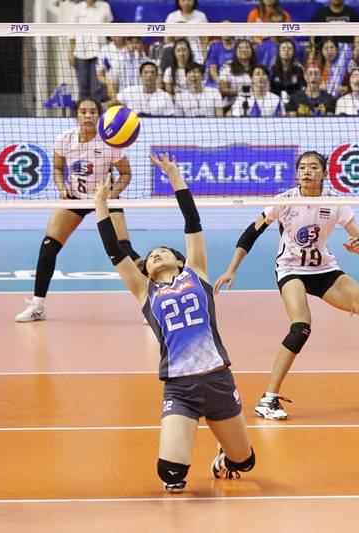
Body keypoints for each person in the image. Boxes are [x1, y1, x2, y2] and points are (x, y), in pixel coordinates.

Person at [94, 153, 255, 491]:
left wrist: (175, 178)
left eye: (163, 251)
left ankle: (225, 458)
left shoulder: (197, 273)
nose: (155, 254)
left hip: (218, 379)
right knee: (170, 474)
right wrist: (100, 205)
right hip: (180, 387)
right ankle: (184, 457)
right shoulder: (144, 291)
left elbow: (192, 223)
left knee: (245, 462)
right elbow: (115, 251)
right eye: (151, 255)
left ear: (180, 261)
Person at [214, 151, 359, 421]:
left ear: (324, 174)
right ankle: (268, 399)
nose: (307, 172)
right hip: (290, 270)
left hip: (324, 270)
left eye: (313, 167)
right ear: (297, 174)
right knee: (301, 327)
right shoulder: (284, 201)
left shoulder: (335, 203)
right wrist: (231, 269)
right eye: (302, 168)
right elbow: (251, 233)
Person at [15, 98, 140, 322]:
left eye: (93, 112)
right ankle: (38, 306)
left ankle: (151, 302)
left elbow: (126, 174)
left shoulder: (110, 143)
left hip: (104, 201)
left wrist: (111, 194)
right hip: (75, 199)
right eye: (83, 112)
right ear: (76, 115)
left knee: (123, 248)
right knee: (48, 246)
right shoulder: (65, 139)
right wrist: (62, 188)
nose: (88, 116)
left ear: (100, 117)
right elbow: (57, 168)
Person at [68, 0, 113, 101]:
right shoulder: (77, 8)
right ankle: (83, 109)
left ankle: (97, 109)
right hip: (80, 53)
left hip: (99, 53)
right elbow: (71, 33)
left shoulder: (105, 6)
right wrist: (71, 54)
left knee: (97, 88)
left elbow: (110, 30)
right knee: (83, 88)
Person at [164, 0, 208, 65]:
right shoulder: (172, 17)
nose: (186, 2)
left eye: (189, 0)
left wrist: (205, 57)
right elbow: (167, 40)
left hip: (197, 54)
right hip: (178, 53)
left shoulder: (201, 16)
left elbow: (204, 40)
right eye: (183, 0)